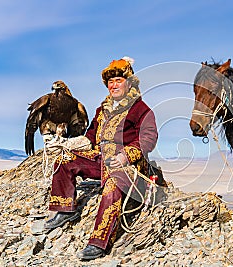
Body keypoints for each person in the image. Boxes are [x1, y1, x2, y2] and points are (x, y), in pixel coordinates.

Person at [43, 57, 158, 260]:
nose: (114, 85)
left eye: (119, 80)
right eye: (110, 82)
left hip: (129, 164)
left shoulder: (142, 109)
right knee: (65, 159)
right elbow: (91, 134)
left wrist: (125, 156)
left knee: (112, 184)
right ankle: (65, 208)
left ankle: (99, 242)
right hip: (100, 158)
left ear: (129, 83)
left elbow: (148, 138)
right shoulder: (102, 109)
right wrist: (70, 144)